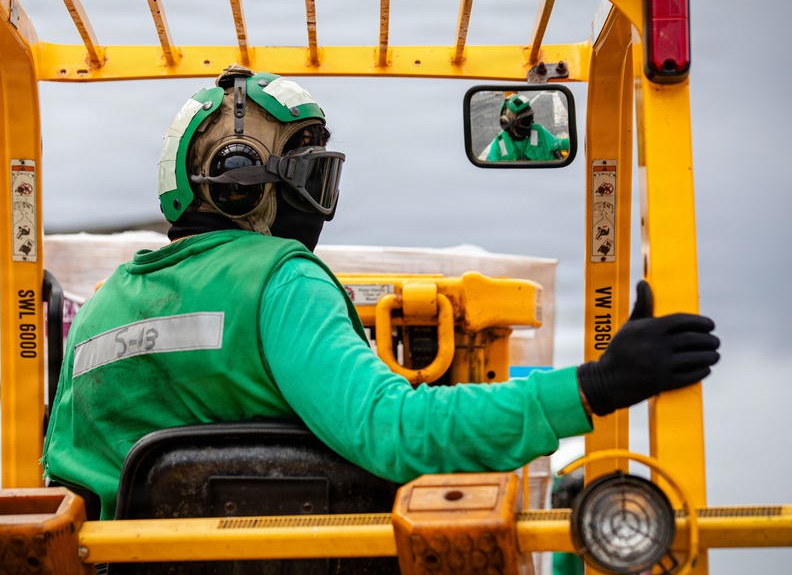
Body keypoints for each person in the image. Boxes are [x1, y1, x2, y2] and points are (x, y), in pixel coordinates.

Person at [42, 65, 720, 520]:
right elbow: (393, 432)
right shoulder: (278, 279)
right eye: (308, 173)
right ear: (242, 179)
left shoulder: (102, 307)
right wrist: (595, 386)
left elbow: (62, 474)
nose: (321, 198)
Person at [486, 93, 570, 162]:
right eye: (525, 121)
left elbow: (564, 144)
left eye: (530, 118)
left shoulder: (540, 132)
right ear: (507, 124)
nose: (529, 125)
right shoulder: (499, 144)